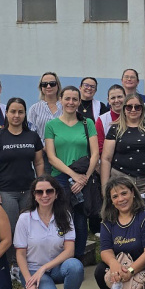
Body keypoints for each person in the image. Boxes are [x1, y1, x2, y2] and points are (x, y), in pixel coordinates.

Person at [0, 97, 44, 276]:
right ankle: (10, 265)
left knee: (29, 228)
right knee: (10, 229)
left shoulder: (32, 136)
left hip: (29, 191)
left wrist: (41, 186)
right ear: (6, 113)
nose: (16, 115)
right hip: (6, 192)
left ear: (25, 114)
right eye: (13, 112)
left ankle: (26, 263)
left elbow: (39, 162)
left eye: (20, 112)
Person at [15, 176, 85, 289]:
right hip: (33, 270)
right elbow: (20, 254)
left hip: (56, 268)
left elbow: (69, 251)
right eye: (39, 192)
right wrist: (29, 281)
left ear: (56, 193)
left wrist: (44, 268)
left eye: (49, 191)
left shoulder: (65, 215)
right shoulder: (24, 219)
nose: (45, 195)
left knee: (75, 266)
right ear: (34, 195)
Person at [44, 86, 99, 260]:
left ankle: (78, 258)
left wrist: (84, 178)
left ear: (79, 101)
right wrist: (73, 175)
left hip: (83, 176)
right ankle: (60, 257)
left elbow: (95, 154)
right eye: (67, 98)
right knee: (61, 217)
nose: (71, 102)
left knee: (80, 219)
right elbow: (51, 157)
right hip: (60, 178)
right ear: (60, 100)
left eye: (75, 99)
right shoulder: (51, 125)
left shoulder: (87, 123)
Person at [101, 93, 145, 194]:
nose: (133, 110)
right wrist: (104, 187)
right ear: (124, 109)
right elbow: (106, 159)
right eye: (129, 107)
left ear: (142, 109)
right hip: (121, 180)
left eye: (137, 107)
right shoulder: (115, 129)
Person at [27, 71, 62, 139]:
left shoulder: (65, 107)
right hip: (41, 145)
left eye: (52, 83)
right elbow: (30, 132)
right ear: (41, 87)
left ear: (58, 85)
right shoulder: (34, 109)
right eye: (44, 84)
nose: (48, 86)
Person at [95, 84, 125, 153]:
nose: (116, 100)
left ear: (125, 98)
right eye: (113, 98)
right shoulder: (101, 120)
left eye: (119, 97)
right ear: (108, 101)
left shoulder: (134, 117)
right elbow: (99, 148)